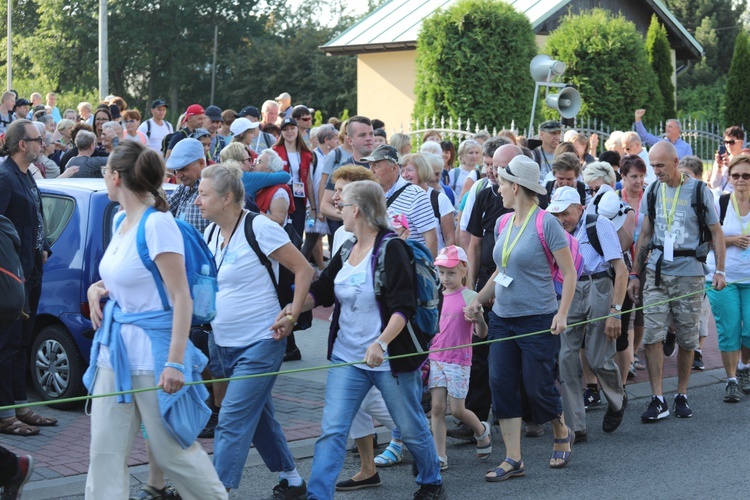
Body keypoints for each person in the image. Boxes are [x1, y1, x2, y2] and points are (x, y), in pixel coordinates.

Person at [276, 179, 445, 500]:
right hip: (348, 357)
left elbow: (403, 308)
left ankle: (431, 479)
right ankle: (318, 494)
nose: (336, 207)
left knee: (409, 426)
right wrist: (293, 310)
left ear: (357, 210)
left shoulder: (392, 249)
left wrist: (380, 343)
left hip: (388, 358)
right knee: (333, 431)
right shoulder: (345, 248)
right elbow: (322, 291)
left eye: (342, 204)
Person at [82, 140, 227, 499]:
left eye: (105, 173)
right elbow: (127, 274)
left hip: (153, 352)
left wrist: (176, 362)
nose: (104, 178)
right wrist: (96, 288)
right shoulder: (121, 220)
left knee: (172, 450)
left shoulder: (159, 224)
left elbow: (181, 297)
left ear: (115, 176)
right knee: (103, 451)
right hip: (114, 352)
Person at [193, 162, 314, 499]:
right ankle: (292, 480)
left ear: (228, 196)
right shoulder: (212, 232)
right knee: (259, 417)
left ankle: (218, 492)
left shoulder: (260, 228)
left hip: (262, 341)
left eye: (204, 194)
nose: (198, 201)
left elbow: (304, 269)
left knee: (230, 419)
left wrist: (290, 316)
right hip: (223, 343)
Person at [466, 154, 577, 481]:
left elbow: (569, 274)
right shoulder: (503, 222)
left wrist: (562, 313)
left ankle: (560, 429)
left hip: (538, 318)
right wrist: (477, 300)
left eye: (502, 182)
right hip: (503, 318)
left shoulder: (547, 223)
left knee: (537, 386)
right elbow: (502, 271)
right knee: (501, 385)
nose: (498, 187)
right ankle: (513, 458)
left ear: (516, 186)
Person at [627, 141, 726, 422]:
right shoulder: (653, 191)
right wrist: (635, 274)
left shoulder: (698, 190)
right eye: (653, 166)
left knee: (686, 338)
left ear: (675, 161)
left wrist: (720, 270)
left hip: (690, 274)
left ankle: (681, 393)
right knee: (652, 336)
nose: (656, 171)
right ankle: (657, 398)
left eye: (660, 165)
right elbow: (645, 235)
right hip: (658, 273)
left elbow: (716, 232)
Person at [548, 187, 629, 440]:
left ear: (580, 209)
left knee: (597, 359)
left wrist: (615, 312)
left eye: (566, 213)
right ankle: (576, 426)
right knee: (566, 360)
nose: (562, 218)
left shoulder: (598, 224)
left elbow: (621, 270)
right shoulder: (556, 230)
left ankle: (617, 399)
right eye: (557, 213)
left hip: (598, 285)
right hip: (568, 291)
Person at [0, 120, 57, 437]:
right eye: (39, 140)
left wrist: (44, 246)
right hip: (12, 276)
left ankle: (19, 404)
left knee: (22, 338)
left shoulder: (25, 175)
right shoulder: (4, 177)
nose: (44, 145)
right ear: (22, 144)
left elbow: (35, 217)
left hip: (32, 270)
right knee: (7, 342)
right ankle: (5, 412)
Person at [430, 245, 490, 470]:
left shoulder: (471, 297)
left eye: (451, 272)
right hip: (436, 358)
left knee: (456, 409)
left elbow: (482, 334)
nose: (445, 278)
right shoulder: (435, 295)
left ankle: (481, 430)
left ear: (464, 270)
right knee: (437, 408)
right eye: (442, 272)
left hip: (458, 361)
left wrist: (478, 320)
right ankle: (439, 455)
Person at [705, 154, 750, 401]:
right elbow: (706, 238)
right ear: (730, 178)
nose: (740, 180)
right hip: (723, 277)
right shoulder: (721, 203)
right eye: (736, 176)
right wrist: (731, 240)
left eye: (746, 175)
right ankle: (731, 379)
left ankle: (744, 366)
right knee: (729, 329)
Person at [363, 144, 438, 257]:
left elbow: (431, 239)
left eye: (376, 165)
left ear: (394, 168)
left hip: (407, 265)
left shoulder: (416, 195)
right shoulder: (369, 193)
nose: (371, 170)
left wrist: (425, 269)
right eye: (370, 165)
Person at [616, 154, 649, 382]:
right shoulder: (617, 198)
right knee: (627, 310)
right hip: (624, 262)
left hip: (646, 261)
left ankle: (635, 353)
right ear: (623, 177)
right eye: (634, 176)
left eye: (642, 176)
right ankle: (627, 357)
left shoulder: (650, 197)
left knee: (642, 312)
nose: (638, 181)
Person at [273, 118, 316, 240]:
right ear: (281, 132)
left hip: (298, 197)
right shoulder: (275, 151)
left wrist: (313, 207)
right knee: (281, 233)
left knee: (297, 234)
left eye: (292, 128)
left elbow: (308, 182)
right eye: (285, 129)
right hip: (281, 196)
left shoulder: (306, 154)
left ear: (297, 129)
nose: (289, 132)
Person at [401, 153, 455, 250]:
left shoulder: (439, 199)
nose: (405, 175)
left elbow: (449, 237)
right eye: (402, 171)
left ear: (421, 171)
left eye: (409, 170)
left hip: (433, 261)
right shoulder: (400, 198)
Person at [165, 138, 211, 233]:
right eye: (177, 170)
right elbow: (164, 208)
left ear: (201, 163)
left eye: (184, 169)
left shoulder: (213, 188)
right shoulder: (183, 188)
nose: (178, 175)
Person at [253, 149, 294, 226]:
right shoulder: (260, 187)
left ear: (270, 170)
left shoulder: (279, 192)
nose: (253, 164)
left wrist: (250, 212)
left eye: (259, 162)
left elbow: (279, 220)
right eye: (255, 160)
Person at [709, 126, 745, 193]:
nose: (728, 145)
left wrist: (730, 166)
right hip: (719, 197)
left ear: (741, 143)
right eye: (726, 142)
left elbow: (742, 185)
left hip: (735, 198)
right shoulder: (722, 159)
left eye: (731, 142)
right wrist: (719, 167)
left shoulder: (745, 162)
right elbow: (714, 184)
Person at [448, 139, 482, 204]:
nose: (474, 156)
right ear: (462, 155)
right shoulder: (454, 172)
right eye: (471, 153)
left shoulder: (481, 173)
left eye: (477, 153)